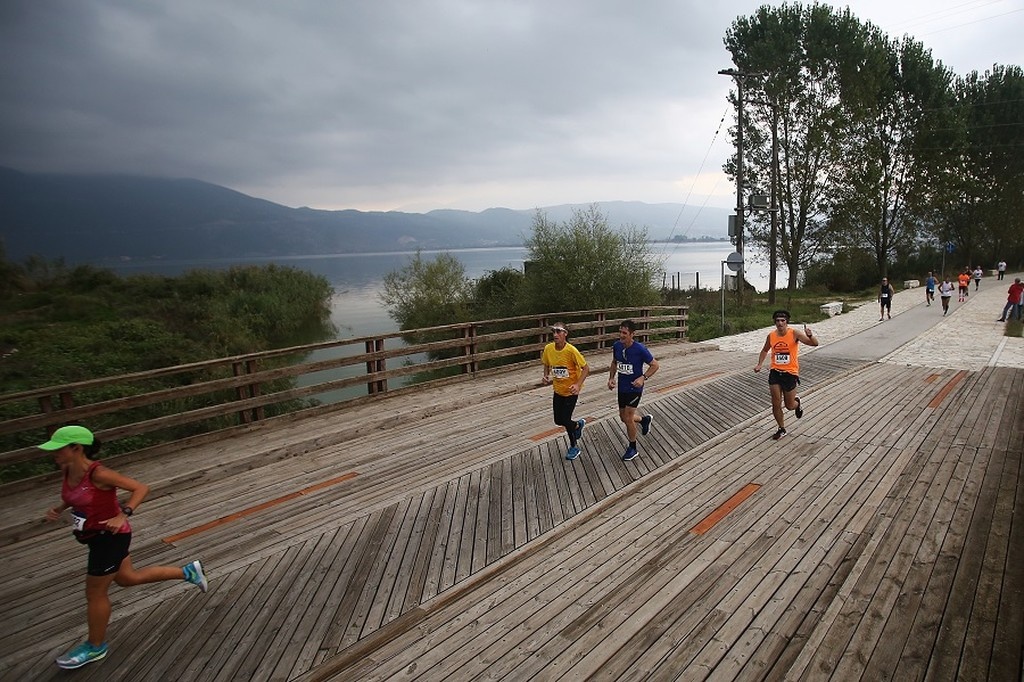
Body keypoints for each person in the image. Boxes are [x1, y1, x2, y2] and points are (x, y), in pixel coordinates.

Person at [40, 425, 208, 670]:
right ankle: (188, 572)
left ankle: (95, 646)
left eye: (58, 448)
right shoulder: (68, 469)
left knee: (95, 593)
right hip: (94, 538)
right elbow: (74, 495)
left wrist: (123, 514)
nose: (53, 453)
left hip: (111, 539)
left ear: (77, 448)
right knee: (128, 578)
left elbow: (141, 488)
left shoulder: (100, 474)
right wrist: (59, 508)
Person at [754, 310, 819, 440]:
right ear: (775, 322)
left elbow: (814, 344)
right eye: (777, 321)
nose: (780, 323)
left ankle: (797, 403)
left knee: (789, 406)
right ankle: (781, 428)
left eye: (783, 320)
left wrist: (811, 336)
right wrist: (759, 364)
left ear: (787, 322)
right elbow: (765, 350)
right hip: (775, 372)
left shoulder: (794, 333)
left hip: (790, 373)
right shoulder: (771, 336)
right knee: (776, 403)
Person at [606, 319, 658, 461]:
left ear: (632, 334)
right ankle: (644, 420)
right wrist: (611, 378)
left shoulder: (640, 349)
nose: (621, 335)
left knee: (628, 418)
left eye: (625, 333)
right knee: (623, 418)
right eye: (620, 332)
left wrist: (643, 378)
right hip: (622, 388)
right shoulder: (617, 346)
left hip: (635, 388)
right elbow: (614, 362)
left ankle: (633, 448)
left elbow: (655, 365)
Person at [541, 323, 589, 460]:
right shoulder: (548, 349)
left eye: (558, 332)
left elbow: (586, 368)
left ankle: (574, 446)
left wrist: (578, 385)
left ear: (565, 334)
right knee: (558, 420)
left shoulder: (571, 351)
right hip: (558, 390)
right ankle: (578, 424)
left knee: (566, 419)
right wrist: (546, 375)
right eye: (553, 332)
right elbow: (546, 363)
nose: (555, 334)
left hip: (571, 391)